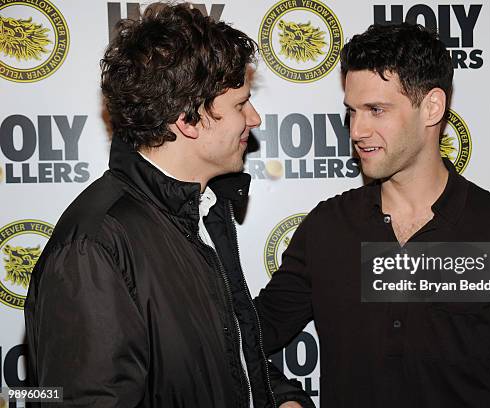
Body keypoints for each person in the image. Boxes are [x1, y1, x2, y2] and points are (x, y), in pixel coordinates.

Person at [25, 3, 312, 407]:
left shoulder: (205, 209)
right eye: (240, 104)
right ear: (188, 121)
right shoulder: (93, 248)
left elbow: (226, 357)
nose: (255, 118)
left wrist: (280, 398)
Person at [255, 23, 490, 407]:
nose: (357, 130)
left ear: (431, 107)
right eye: (352, 111)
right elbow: (242, 340)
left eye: (376, 110)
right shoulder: (327, 229)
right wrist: (285, 397)